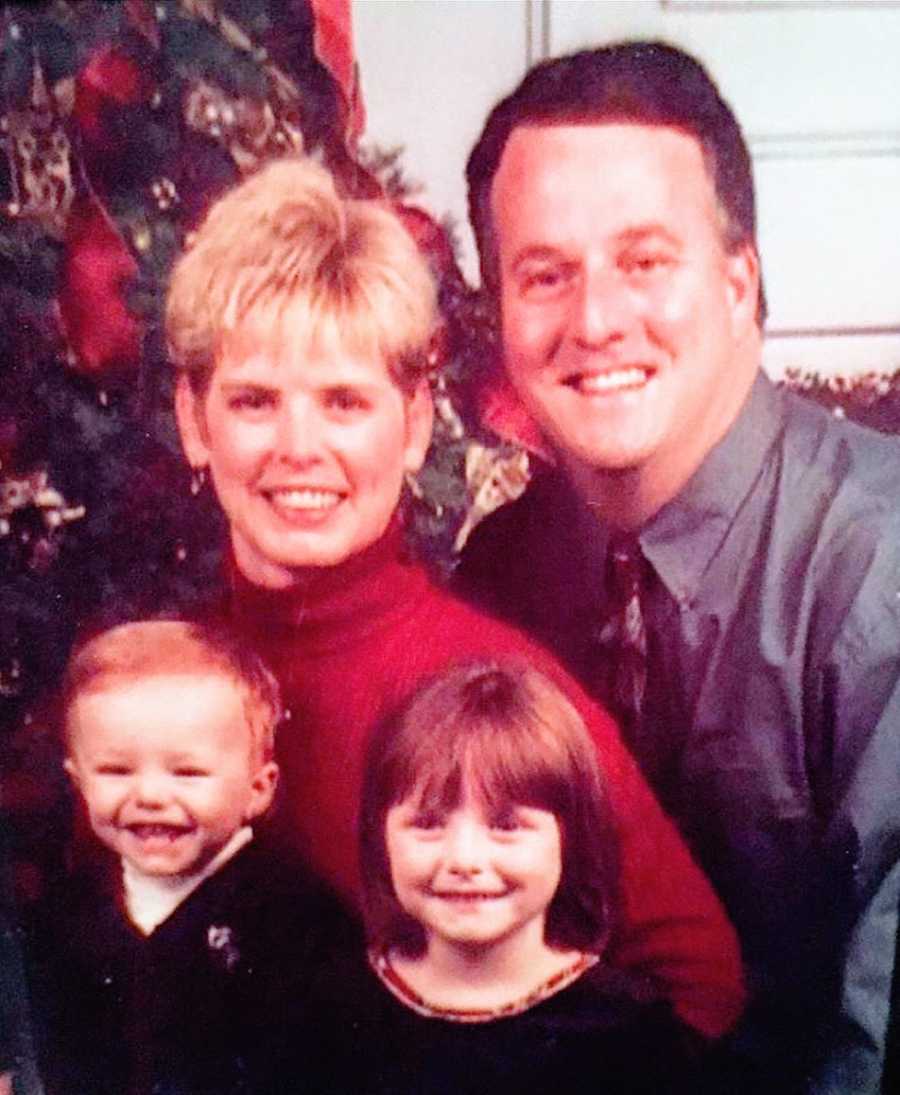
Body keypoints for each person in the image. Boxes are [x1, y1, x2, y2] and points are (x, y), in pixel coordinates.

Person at [165, 154, 745, 1041]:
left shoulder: (488, 683)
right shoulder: (160, 684)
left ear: (416, 427)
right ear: (193, 422)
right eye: (253, 401)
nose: (298, 447)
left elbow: (702, 980)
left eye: (344, 402)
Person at [456, 40, 900, 1094]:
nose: (597, 320)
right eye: (545, 274)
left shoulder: (879, 568)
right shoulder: (501, 574)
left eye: (645, 260)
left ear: (741, 282)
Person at [23, 619, 362, 1095]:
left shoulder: (299, 920)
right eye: (116, 771)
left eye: (187, 772)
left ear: (258, 788)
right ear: (78, 781)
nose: (150, 795)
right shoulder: (67, 911)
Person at [353, 659, 699, 1095]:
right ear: (380, 834)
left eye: (506, 826)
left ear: (569, 835)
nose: (464, 859)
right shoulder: (340, 1013)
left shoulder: (629, 1035)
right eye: (427, 824)